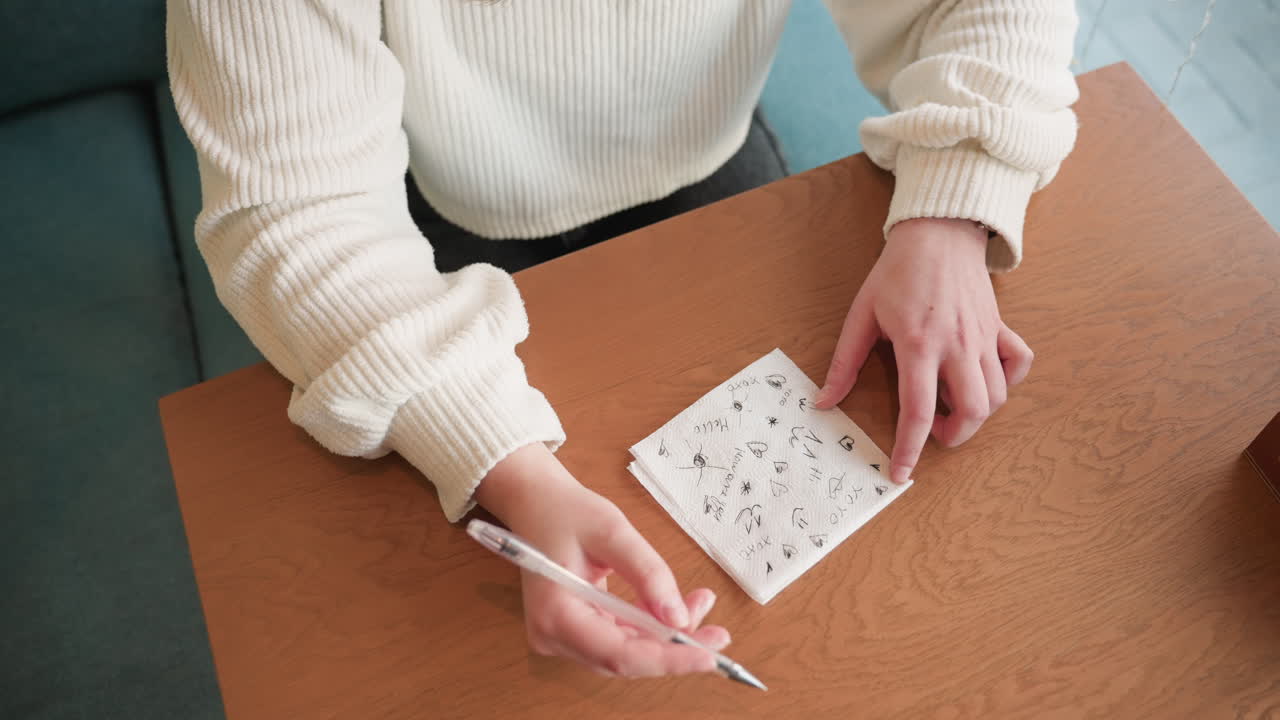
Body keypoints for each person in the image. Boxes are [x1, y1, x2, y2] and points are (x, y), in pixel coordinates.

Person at [168, 0, 1077, 680]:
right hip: (450, 196)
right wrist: (503, 464)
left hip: (707, 144)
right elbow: (293, 207)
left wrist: (953, 208)